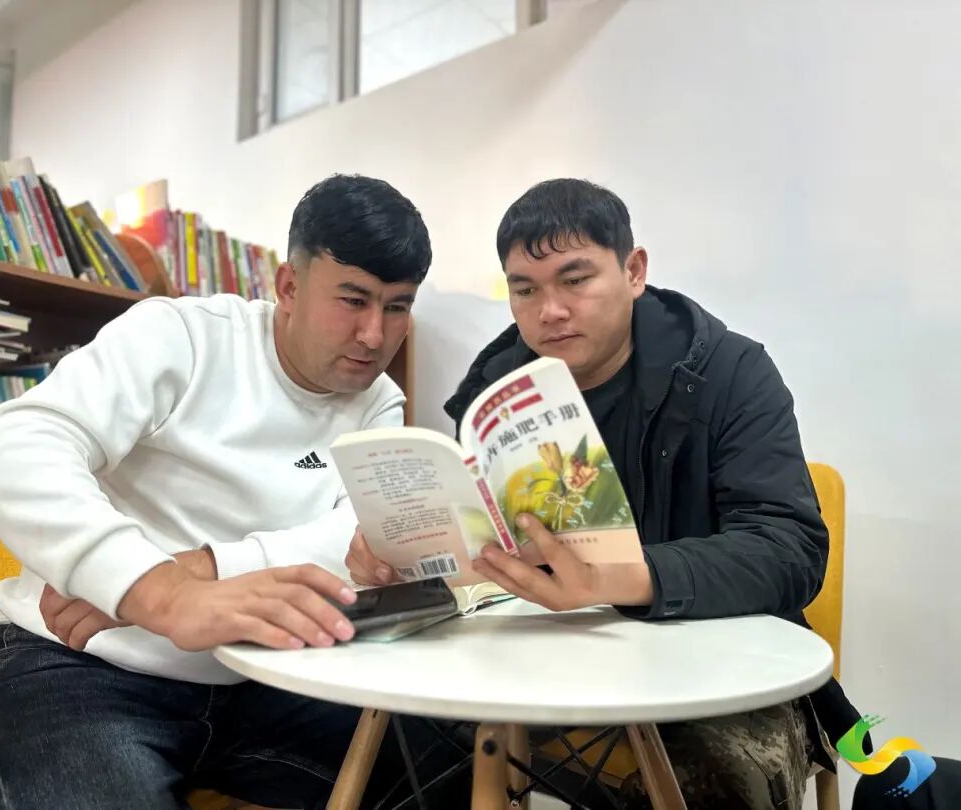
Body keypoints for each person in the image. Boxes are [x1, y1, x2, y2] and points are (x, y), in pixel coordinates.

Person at [347, 178, 862, 808]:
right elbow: (489, 553)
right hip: (547, 652)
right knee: (397, 737)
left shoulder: (728, 373)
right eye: (525, 289)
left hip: (716, 660)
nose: (550, 311)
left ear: (634, 271)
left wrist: (617, 580)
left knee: (722, 779)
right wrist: (409, 556)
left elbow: (789, 549)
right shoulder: (496, 391)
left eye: (576, 279)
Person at [0, 174, 437, 810]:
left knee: (455, 769)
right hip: (79, 662)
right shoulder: (182, 336)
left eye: (397, 307)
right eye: (353, 300)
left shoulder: (379, 405)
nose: (374, 335)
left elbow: (350, 544)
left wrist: (198, 570)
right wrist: (156, 592)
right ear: (289, 287)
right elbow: (7, 447)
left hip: (260, 676)